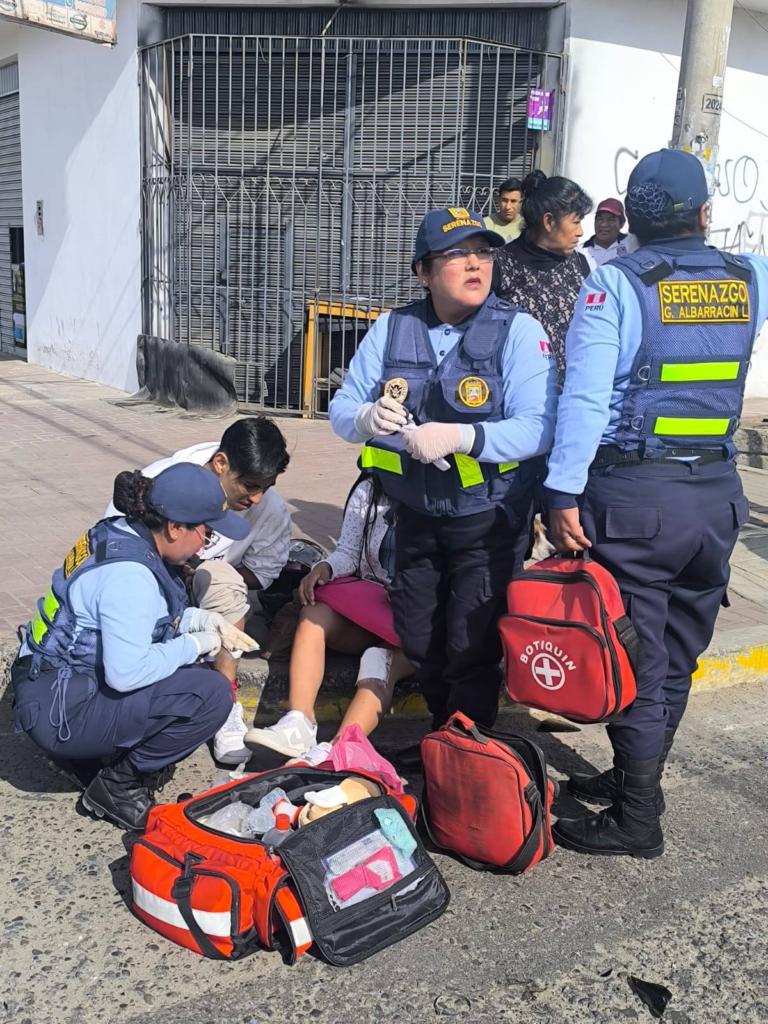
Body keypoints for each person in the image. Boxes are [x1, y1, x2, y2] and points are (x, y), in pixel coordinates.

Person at [543, 148, 768, 859]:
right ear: (704, 213)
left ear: (633, 218)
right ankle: (638, 780)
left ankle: (637, 818)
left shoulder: (615, 284)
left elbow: (585, 397)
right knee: (675, 653)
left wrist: (561, 490)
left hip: (637, 499)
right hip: (717, 498)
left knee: (634, 657)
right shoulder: (751, 276)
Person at [329, 207, 558, 768]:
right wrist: (365, 418)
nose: (476, 264)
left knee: (470, 642)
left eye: (483, 252)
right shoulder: (392, 328)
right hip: (415, 515)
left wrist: (462, 435)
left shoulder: (518, 330)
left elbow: (539, 427)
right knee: (419, 635)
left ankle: (468, 754)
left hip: (489, 518)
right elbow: (342, 407)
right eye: (458, 255)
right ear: (424, 272)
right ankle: (442, 737)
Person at [12, 464, 254, 831]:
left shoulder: (122, 533)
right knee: (210, 693)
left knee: (187, 674)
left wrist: (201, 620)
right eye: (205, 533)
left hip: (51, 683)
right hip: (58, 710)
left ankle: (90, 758)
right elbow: (127, 673)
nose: (205, 543)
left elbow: (143, 620)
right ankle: (117, 786)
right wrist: (197, 643)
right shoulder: (130, 576)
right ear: (175, 527)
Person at [104, 417, 291, 765]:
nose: (256, 497)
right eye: (249, 485)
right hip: (144, 590)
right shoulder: (161, 480)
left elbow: (263, 571)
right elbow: (118, 548)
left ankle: (226, 703)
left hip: (200, 596)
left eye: (266, 487)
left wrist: (198, 576)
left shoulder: (268, 507)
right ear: (220, 463)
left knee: (220, 577)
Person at [245, 473, 413, 765]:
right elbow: (348, 551)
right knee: (313, 614)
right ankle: (298, 723)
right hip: (372, 607)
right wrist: (325, 568)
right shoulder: (371, 488)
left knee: (378, 659)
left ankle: (339, 749)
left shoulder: (447, 497)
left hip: (419, 619)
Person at [493, 170, 593, 387]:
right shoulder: (498, 265)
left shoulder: (580, 264)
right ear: (549, 222)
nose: (580, 232)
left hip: (571, 392)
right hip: (515, 391)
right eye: (575, 222)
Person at [579, 198, 632, 268]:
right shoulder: (580, 252)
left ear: (621, 223)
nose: (603, 224)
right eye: (600, 219)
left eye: (610, 220)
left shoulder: (632, 244)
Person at [484, 177, 524, 243]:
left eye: (513, 201)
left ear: (521, 202)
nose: (508, 207)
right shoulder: (485, 225)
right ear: (498, 200)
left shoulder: (527, 227)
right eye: (504, 200)